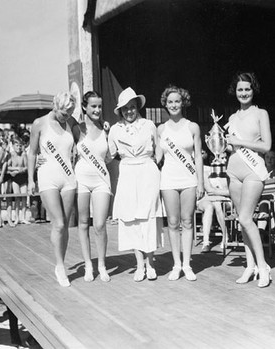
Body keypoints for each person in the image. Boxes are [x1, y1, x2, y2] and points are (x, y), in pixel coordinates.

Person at [108, 87, 163, 282]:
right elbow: (110, 154)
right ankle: (139, 264)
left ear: (138, 107)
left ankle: (151, 263)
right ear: (120, 111)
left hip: (148, 172)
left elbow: (159, 149)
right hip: (128, 174)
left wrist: (154, 165)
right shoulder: (114, 130)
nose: (129, 111)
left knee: (148, 217)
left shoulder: (149, 125)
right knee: (131, 219)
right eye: (125, 108)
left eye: (132, 107)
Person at [225, 72, 272, 288]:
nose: (243, 93)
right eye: (240, 89)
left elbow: (266, 146)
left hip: (253, 171)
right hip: (233, 172)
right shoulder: (232, 118)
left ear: (253, 90)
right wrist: (224, 145)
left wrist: (239, 141)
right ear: (235, 92)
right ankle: (250, 266)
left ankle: (263, 267)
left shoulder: (261, 113)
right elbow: (231, 146)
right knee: (242, 222)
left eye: (247, 89)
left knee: (245, 218)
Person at [28, 92, 77, 287]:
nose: (67, 116)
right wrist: (30, 179)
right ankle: (60, 266)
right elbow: (31, 152)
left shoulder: (71, 122)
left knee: (65, 224)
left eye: (70, 113)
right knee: (57, 223)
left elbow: (85, 136)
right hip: (48, 175)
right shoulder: (40, 123)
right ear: (55, 107)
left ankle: (61, 261)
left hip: (68, 177)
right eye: (64, 113)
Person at [157, 85, 204, 281]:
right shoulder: (161, 129)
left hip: (188, 180)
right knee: (173, 223)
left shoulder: (192, 127)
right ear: (165, 105)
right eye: (170, 102)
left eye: (177, 101)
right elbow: (157, 157)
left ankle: (187, 264)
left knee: (187, 221)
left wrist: (200, 183)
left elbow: (199, 158)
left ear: (183, 102)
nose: (174, 105)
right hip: (168, 180)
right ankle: (176, 264)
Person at [72, 91, 112, 282]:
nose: (97, 109)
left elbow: (110, 156)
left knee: (99, 224)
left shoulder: (106, 129)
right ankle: (88, 264)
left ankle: (102, 265)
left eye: (99, 106)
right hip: (81, 178)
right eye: (93, 106)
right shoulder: (76, 129)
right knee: (83, 222)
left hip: (101, 180)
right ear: (85, 107)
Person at [196, 151, 230, 253]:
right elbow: (209, 190)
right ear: (215, 159)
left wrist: (216, 192)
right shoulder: (206, 172)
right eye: (222, 158)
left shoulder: (229, 173)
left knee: (217, 204)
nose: (225, 160)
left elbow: (232, 192)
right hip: (207, 199)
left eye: (225, 158)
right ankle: (206, 242)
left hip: (225, 201)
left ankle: (225, 236)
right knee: (210, 206)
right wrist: (222, 192)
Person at [8, 137, 29, 225]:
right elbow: (8, 166)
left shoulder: (24, 154)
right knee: (17, 198)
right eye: (17, 146)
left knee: (24, 197)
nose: (19, 148)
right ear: (13, 146)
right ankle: (16, 217)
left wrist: (22, 170)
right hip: (15, 178)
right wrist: (16, 169)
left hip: (23, 177)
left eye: (20, 146)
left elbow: (27, 166)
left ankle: (23, 217)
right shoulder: (11, 155)